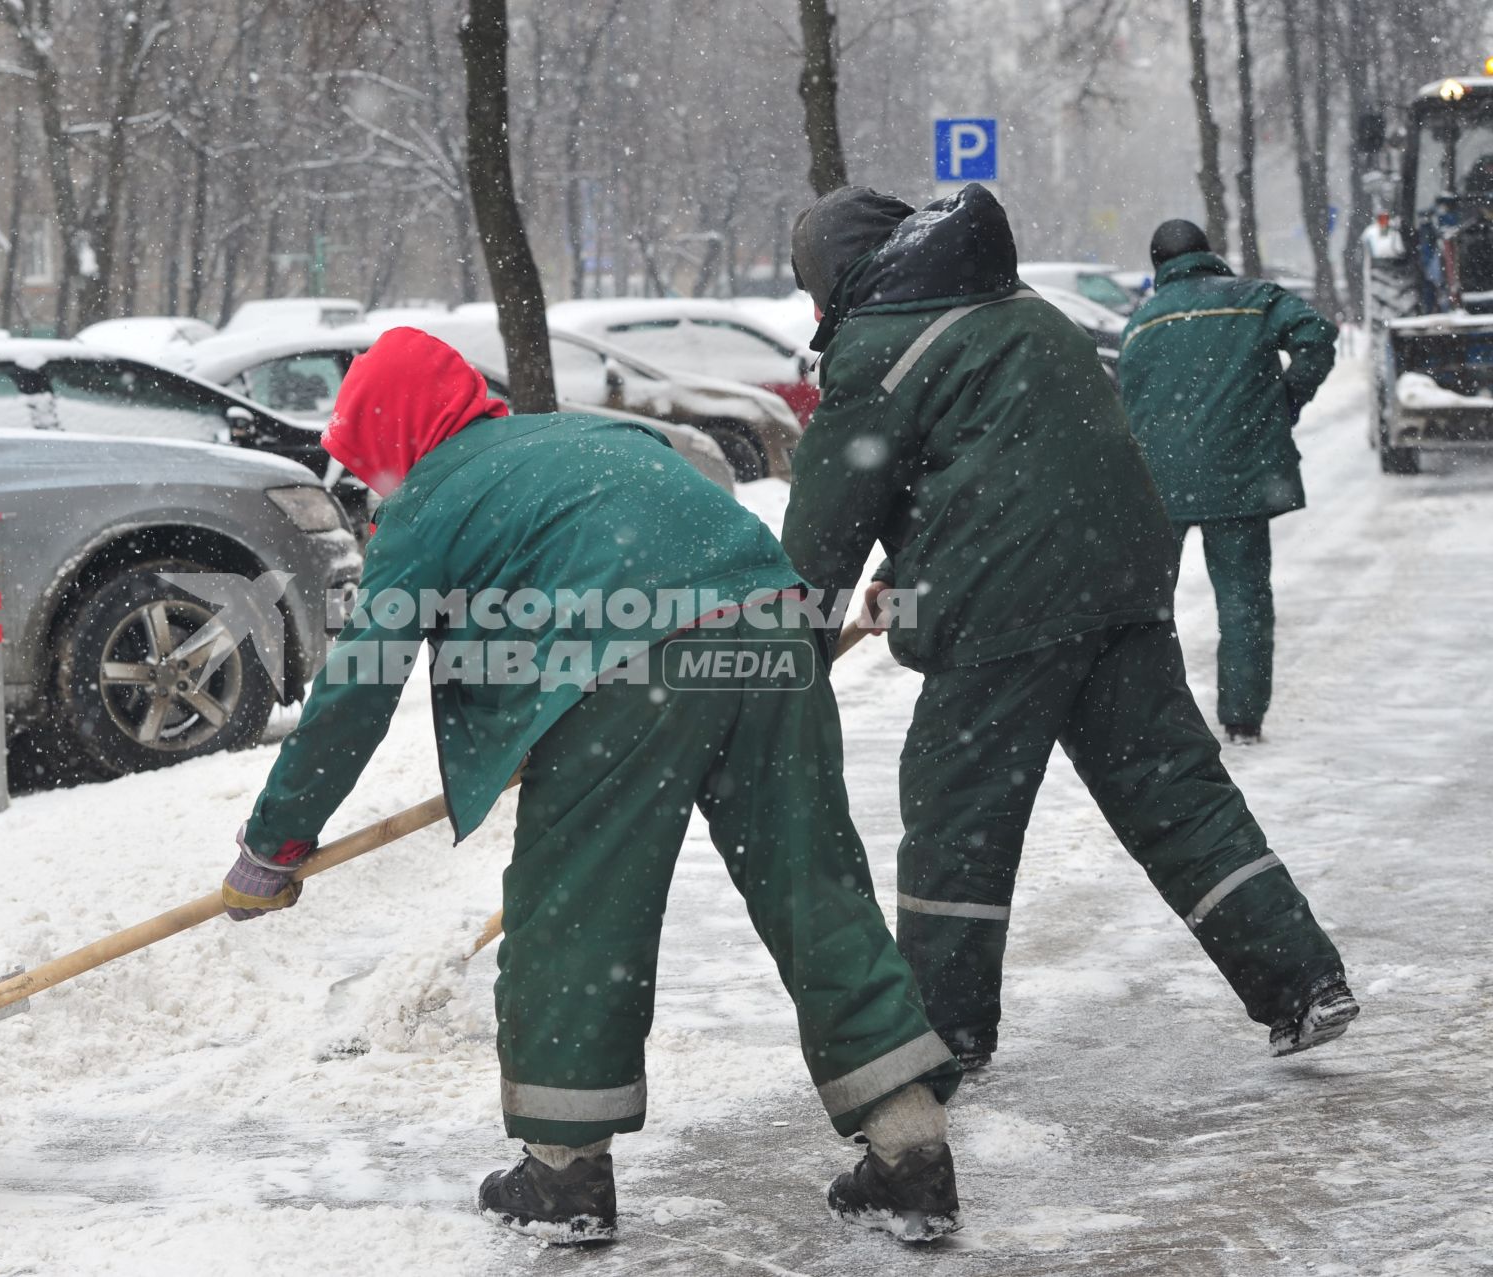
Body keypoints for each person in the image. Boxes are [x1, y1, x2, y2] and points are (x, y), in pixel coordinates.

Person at [222, 327, 966, 1245]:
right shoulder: (595, 437)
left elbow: (357, 685)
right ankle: (910, 1142)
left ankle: (564, 1172)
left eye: (367, 457)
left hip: (630, 668)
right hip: (772, 625)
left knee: (577, 916)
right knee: (816, 889)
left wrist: (276, 840)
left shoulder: (430, 498)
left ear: (394, 435)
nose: (372, 481)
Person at [781, 183, 1358, 1075]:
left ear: (836, 279)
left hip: (1005, 607)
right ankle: (1301, 979)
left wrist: (782, 658)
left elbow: (820, 543)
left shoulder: (876, 349)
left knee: (957, 816)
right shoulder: (1022, 310)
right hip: (1119, 572)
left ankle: (946, 1031)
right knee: (1172, 790)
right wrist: (915, 565)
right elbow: (1010, 460)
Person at [1116, 219, 1338, 744]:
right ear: (1206, 253)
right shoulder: (1254, 297)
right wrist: (1286, 400)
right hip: (1239, 480)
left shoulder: (1141, 321)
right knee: (1243, 600)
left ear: (1158, 268)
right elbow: (1316, 337)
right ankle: (1242, 717)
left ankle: (1148, 718)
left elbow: (1126, 402)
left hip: (1159, 486)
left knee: (1148, 607)